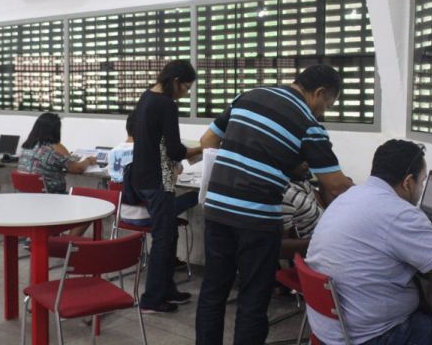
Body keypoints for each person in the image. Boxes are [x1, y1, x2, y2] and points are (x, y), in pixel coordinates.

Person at [195, 64, 353, 345]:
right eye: (327, 104)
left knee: (213, 291)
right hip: (257, 218)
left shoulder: (249, 96)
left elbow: (207, 140)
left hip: (217, 208)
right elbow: (336, 185)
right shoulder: (308, 123)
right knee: (253, 298)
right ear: (319, 92)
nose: (323, 112)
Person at [306, 139, 432, 345]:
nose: (421, 188)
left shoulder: (351, 196)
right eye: (422, 181)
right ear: (408, 182)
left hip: (331, 329)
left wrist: (428, 238)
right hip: (373, 336)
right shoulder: (399, 213)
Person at [131, 60, 202, 314]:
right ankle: (151, 299)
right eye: (186, 88)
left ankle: (167, 288)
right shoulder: (166, 104)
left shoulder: (146, 97)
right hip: (159, 180)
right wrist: (202, 149)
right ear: (175, 81)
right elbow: (174, 150)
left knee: (169, 234)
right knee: (163, 238)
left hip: (141, 177)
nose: (185, 93)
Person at [109, 110, 198, 227]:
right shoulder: (152, 152)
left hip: (122, 215)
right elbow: (172, 180)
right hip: (151, 215)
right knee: (194, 195)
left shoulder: (113, 152)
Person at [18, 112, 97, 237]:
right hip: (50, 199)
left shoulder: (26, 148)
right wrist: (88, 160)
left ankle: (51, 238)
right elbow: (76, 168)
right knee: (91, 206)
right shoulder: (51, 151)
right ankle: (68, 242)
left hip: (26, 199)